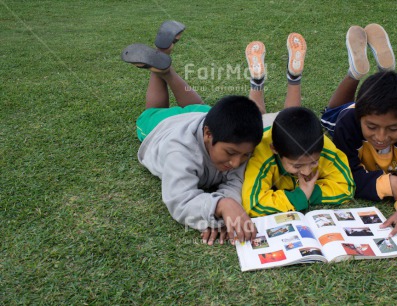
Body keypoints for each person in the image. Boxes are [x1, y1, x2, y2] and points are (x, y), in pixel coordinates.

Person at [120, 21, 263, 246]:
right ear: (208, 135)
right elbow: (179, 199)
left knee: (204, 108)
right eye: (230, 153)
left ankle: (165, 65)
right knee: (151, 112)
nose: (236, 162)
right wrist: (220, 206)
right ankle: (162, 64)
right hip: (165, 126)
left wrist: (226, 205)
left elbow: (236, 183)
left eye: (244, 156)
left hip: (201, 114)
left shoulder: (234, 141)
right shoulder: (179, 150)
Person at [321, 24, 397, 240]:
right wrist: (388, 183)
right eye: (372, 127)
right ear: (360, 119)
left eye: (393, 129)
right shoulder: (350, 123)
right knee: (328, 116)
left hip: (376, 110)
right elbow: (344, 174)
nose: (381, 137)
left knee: (381, 105)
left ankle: (383, 76)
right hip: (346, 113)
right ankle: (355, 72)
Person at [241, 33, 355, 217]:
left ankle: (266, 80)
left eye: (313, 163)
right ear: (275, 149)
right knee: (254, 120)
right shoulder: (262, 152)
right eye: (297, 166)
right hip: (263, 130)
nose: (307, 172)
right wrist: (300, 195)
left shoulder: (323, 145)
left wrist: (311, 192)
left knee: (293, 114)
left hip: (288, 125)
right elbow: (253, 204)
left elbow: (347, 187)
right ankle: (263, 81)